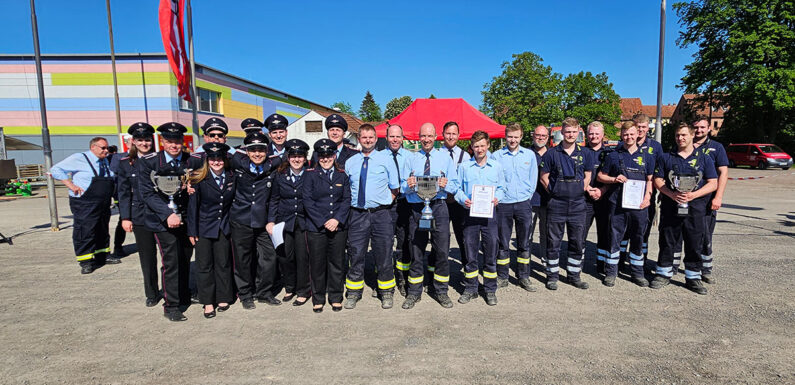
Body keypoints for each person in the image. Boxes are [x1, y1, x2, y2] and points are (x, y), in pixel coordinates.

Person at [137, 122, 202, 321]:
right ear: (162, 141)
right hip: (162, 220)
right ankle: (171, 305)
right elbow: (147, 194)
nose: (174, 145)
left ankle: (183, 294)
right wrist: (167, 214)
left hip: (186, 219)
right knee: (171, 261)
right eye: (169, 141)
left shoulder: (193, 161)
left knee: (184, 257)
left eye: (177, 141)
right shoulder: (149, 162)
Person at [650, 123, 717, 295]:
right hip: (671, 207)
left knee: (694, 242)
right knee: (667, 241)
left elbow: (713, 183)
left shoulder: (704, 158)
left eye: (684, 135)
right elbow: (658, 180)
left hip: (695, 208)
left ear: (692, 135)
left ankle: (693, 277)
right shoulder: (666, 158)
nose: (680, 138)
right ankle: (663, 274)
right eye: (678, 135)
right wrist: (670, 194)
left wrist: (694, 195)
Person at [401, 123, 458, 309]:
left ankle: (441, 291)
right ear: (419, 137)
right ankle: (414, 292)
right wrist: (407, 185)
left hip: (439, 207)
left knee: (442, 250)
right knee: (415, 250)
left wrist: (445, 184)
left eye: (430, 136)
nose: (426, 139)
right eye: (423, 136)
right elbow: (401, 187)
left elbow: (455, 186)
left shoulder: (445, 157)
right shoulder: (410, 159)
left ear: (436, 137)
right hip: (417, 208)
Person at [343, 124, 400, 309]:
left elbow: (395, 187)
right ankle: (353, 292)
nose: (367, 140)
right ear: (359, 139)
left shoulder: (386, 159)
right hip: (357, 214)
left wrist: (385, 202)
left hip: (381, 214)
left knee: (384, 253)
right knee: (356, 253)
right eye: (364, 137)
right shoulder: (350, 162)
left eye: (371, 137)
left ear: (376, 139)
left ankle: (386, 292)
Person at [228, 131, 282, 310]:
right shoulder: (236, 163)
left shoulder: (273, 165)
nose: (257, 154)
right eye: (253, 150)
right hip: (241, 219)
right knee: (242, 259)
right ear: (247, 151)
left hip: (263, 221)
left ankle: (264, 292)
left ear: (267, 151)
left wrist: (271, 220)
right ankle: (245, 294)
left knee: (269, 257)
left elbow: (274, 197)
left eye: (261, 150)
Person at [597, 122, 655, 287]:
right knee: (614, 238)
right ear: (621, 136)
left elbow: (650, 180)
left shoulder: (647, 156)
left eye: (631, 134)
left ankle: (637, 273)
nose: (628, 137)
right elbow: (601, 176)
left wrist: (648, 198)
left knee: (638, 239)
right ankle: (611, 272)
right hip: (617, 205)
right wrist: (614, 179)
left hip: (640, 206)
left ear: (637, 134)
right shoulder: (613, 156)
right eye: (625, 135)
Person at [51, 136, 119, 274]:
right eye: (103, 148)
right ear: (93, 147)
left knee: (102, 228)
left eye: (107, 148)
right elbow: (55, 169)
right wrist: (70, 184)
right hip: (85, 202)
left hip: (103, 202)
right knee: (85, 230)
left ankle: (102, 255)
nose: (106, 151)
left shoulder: (105, 160)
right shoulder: (79, 158)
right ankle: (86, 261)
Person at [539, 117, 593, 291]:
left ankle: (574, 275)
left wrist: (579, 190)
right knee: (553, 241)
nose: (570, 134)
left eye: (573, 131)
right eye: (567, 131)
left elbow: (588, 175)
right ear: (561, 133)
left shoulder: (585, 153)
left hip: (578, 204)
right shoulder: (551, 153)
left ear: (578, 132)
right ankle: (552, 276)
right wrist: (554, 192)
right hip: (557, 204)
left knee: (577, 241)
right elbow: (544, 177)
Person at [454, 130, 506, 305]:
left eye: (482, 145)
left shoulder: (497, 166)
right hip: (469, 215)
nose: (480, 149)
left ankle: (490, 289)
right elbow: (456, 188)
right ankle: (471, 288)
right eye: (476, 146)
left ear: (488, 145)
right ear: (471, 148)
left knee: (491, 252)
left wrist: (497, 197)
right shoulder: (464, 167)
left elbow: (502, 187)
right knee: (470, 253)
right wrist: (463, 199)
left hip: (490, 216)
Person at [186, 142, 235, 319]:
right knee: (204, 266)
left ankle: (223, 296)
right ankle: (207, 302)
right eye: (213, 159)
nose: (216, 162)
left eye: (219, 159)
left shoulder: (231, 176)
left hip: (223, 227)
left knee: (223, 263)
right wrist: (192, 231)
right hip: (204, 228)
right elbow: (193, 208)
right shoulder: (198, 178)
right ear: (208, 160)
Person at [303, 139, 351, 313]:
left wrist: (336, 219)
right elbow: (307, 201)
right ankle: (318, 298)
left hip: (338, 227)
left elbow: (346, 200)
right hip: (317, 228)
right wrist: (324, 221)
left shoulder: (342, 175)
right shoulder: (310, 175)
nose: (325, 159)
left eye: (328, 155)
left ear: (334, 155)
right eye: (322, 155)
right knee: (317, 264)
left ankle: (336, 296)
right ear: (317, 156)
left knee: (337, 263)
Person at [116, 123, 160, 306]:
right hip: (140, 215)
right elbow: (123, 192)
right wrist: (126, 217)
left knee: (170, 255)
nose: (144, 143)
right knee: (147, 256)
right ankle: (151, 293)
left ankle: (176, 289)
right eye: (140, 140)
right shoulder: (126, 164)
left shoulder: (161, 160)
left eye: (147, 140)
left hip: (161, 213)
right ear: (133, 141)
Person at [490, 123, 538, 292]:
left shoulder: (530, 155)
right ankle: (503, 276)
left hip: (524, 203)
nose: (513, 140)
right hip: (503, 204)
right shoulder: (496, 156)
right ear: (505, 136)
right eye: (510, 136)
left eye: (516, 137)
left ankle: (523, 276)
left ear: (521, 137)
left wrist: (527, 197)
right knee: (503, 242)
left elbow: (533, 179)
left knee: (524, 242)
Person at [267, 139, 311, 306]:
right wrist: (271, 220)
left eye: (300, 156)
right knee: (286, 257)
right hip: (284, 223)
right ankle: (289, 287)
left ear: (305, 158)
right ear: (288, 157)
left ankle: (303, 290)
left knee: (302, 257)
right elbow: (274, 199)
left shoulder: (311, 173)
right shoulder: (280, 174)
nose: (296, 159)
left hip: (304, 222)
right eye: (293, 156)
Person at [618, 114, 665, 263]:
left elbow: (659, 171)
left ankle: (640, 261)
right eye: (638, 127)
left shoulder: (655, 147)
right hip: (625, 197)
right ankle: (621, 260)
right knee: (624, 231)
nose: (640, 130)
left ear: (647, 128)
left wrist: (657, 193)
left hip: (646, 197)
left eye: (643, 127)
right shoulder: (622, 145)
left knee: (643, 232)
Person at [692, 116, 729, 284]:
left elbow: (723, 173)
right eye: (696, 127)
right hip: (686, 199)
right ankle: (676, 265)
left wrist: (718, 196)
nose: (699, 130)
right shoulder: (684, 144)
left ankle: (705, 269)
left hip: (707, 200)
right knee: (679, 234)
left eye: (702, 127)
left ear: (708, 129)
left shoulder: (717, 147)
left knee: (705, 235)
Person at [436, 121, 470, 272]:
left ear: (459, 135)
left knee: (463, 237)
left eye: (453, 133)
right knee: (439, 238)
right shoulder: (435, 155)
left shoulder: (466, 156)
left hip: (459, 204)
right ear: (442, 134)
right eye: (448, 133)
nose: (450, 136)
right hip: (441, 202)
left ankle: (467, 268)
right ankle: (436, 269)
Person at [382, 124, 412, 296]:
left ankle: (402, 278)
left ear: (403, 138)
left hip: (405, 203)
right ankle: (385, 280)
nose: (395, 140)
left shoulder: (410, 156)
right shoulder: (379, 157)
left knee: (403, 243)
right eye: (392, 137)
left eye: (398, 137)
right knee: (384, 244)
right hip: (386, 205)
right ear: (386, 138)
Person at [582, 121, 611, 275]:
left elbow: (613, 176)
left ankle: (601, 265)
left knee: (604, 234)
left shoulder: (610, 154)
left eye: (596, 133)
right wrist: (588, 189)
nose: (593, 136)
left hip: (604, 199)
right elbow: (577, 175)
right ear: (587, 135)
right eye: (591, 133)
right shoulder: (581, 152)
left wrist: (602, 190)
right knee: (581, 233)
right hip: (585, 199)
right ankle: (577, 265)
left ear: (602, 135)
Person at [529, 125, 550, 263]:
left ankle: (546, 259)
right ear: (533, 135)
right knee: (527, 233)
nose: (540, 138)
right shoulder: (526, 153)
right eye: (538, 135)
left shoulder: (553, 153)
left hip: (548, 200)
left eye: (543, 136)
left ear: (548, 138)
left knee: (547, 233)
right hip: (530, 201)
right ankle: (525, 260)